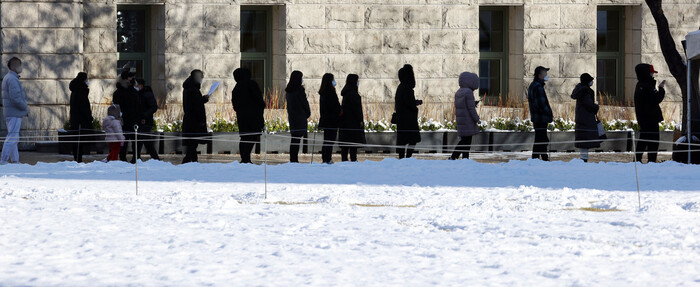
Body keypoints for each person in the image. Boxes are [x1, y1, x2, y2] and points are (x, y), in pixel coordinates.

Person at [232, 68, 265, 164]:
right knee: (252, 137)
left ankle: (244, 158)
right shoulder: (251, 84)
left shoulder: (236, 88)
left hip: (242, 117)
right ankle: (246, 158)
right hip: (254, 116)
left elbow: (235, 104)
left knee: (244, 138)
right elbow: (259, 99)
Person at [634, 63, 666, 163]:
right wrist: (661, 89)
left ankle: (638, 159)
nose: (653, 75)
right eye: (651, 73)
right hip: (650, 119)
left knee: (644, 140)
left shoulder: (641, 85)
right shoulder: (646, 86)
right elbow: (656, 99)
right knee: (652, 141)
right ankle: (650, 160)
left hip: (645, 119)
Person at [1, 57, 28, 165]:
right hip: (14, 112)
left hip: (11, 112)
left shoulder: (10, 78)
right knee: (12, 136)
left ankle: (15, 160)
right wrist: (24, 107)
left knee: (13, 136)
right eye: (18, 65)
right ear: (13, 67)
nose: (20, 67)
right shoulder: (12, 79)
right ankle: (3, 160)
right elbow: (15, 97)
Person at [571, 73, 601, 163]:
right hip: (586, 119)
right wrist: (596, 107)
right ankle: (584, 159)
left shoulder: (580, 90)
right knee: (585, 141)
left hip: (582, 119)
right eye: (590, 80)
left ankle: (584, 157)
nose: (592, 82)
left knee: (584, 141)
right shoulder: (585, 92)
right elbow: (589, 105)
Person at [182, 70, 210, 164]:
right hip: (194, 122)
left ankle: (194, 161)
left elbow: (194, 103)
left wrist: (202, 100)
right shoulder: (193, 90)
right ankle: (190, 161)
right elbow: (196, 107)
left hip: (190, 120)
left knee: (192, 144)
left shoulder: (189, 88)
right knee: (192, 144)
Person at [450, 72, 480, 160]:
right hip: (468, 121)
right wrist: (476, 119)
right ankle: (455, 157)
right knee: (466, 142)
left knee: (464, 141)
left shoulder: (459, 92)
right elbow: (471, 109)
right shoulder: (468, 92)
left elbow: (463, 105)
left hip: (461, 121)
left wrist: (473, 103)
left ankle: (464, 159)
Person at [394, 64, 422, 159]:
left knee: (404, 140)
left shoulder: (401, 87)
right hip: (408, 119)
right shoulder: (406, 88)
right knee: (411, 139)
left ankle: (403, 157)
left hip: (403, 118)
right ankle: (407, 157)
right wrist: (415, 105)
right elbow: (408, 103)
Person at [527, 66, 554, 161]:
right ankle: (541, 159)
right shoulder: (537, 87)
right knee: (541, 139)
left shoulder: (534, 85)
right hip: (541, 118)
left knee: (540, 139)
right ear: (539, 75)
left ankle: (539, 159)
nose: (546, 76)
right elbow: (541, 104)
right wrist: (549, 114)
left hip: (537, 118)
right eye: (545, 74)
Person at [338, 74, 366, 162]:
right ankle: (353, 160)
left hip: (345, 123)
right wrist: (360, 121)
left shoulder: (346, 93)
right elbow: (357, 110)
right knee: (353, 144)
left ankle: (344, 160)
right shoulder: (354, 94)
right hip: (353, 123)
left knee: (345, 146)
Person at [112, 70, 139, 162]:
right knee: (124, 142)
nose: (131, 80)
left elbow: (137, 105)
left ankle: (135, 158)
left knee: (134, 141)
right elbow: (116, 108)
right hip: (124, 120)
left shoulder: (132, 91)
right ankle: (123, 158)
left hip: (133, 120)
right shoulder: (119, 92)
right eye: (129, 78)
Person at [285, 70, 310, 163]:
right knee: (297, 139)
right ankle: (294, 159)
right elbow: (304, 103)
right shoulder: (299, 90)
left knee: (294, 139)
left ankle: (293, 158)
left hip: (293, 117)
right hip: (300, 117)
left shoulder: (289, 90)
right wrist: (307, 113)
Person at [69, 72, 94, 163]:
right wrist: (89, 117)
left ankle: (77, 157)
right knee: (80, 140)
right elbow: (84, 106)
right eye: (86, 80)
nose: (87, 82)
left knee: (77, 140)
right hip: (81, 120)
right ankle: (78, 158)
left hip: (75, 119)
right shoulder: (81, 91)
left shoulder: (75, 90)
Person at [134, 78, 160, 161]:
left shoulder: (147, 94)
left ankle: (136, 158)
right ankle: (155, 158)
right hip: (140, 119)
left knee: (141, 140)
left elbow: (153, 107)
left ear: (141, 85)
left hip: (145, 120)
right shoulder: (138, 94)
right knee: (146, 141)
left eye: (137, 85)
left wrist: (144, 115)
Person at [318, 73, 342, 164]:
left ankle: (325, 158)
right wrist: (339, 110)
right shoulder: (330, 92)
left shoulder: (323, 92)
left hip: (326, 119)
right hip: (332, 120)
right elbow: (334, 106)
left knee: (327, 140)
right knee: (330, 140)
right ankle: (327, 158)